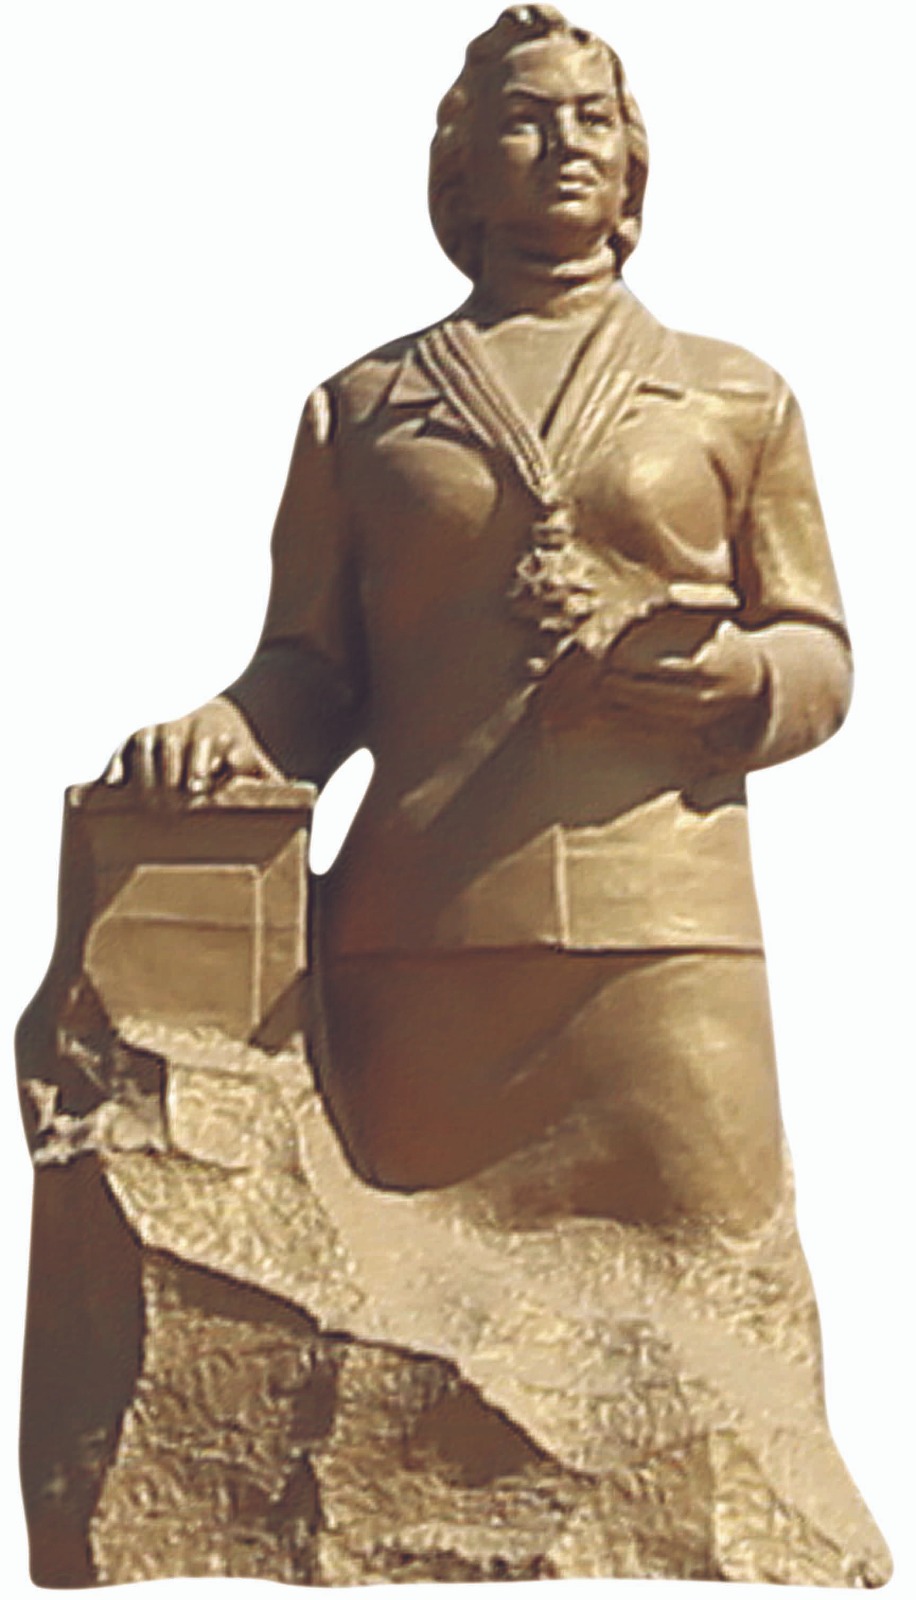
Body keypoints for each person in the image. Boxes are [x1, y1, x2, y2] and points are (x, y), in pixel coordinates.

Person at [105, 4, 852, 1234]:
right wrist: (224, 728)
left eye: (593, 118)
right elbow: (311, 673)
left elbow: (819, 648)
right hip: (424, 932)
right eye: (525, 119)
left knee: (717, 1260)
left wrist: (745, 677)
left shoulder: (734, 394)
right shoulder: (362, 409)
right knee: (396, 1278)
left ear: (631, 161)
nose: (565, 143)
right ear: (459, 165)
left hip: (664, 924)